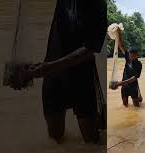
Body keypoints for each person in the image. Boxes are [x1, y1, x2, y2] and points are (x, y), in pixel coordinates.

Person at [25, 0, 106, 144]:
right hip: (53, 74)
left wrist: (48, 67)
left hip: (81, 76)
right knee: (54, 138)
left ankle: (98, 120)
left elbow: (89, 49)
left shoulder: (97, 5)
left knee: (91, 140)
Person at [113, 28, 142, 107]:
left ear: (137, 55)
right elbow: (121, 45)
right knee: (125, 105)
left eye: (132, 56)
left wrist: (120, 83)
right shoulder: (128, 57)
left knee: (136, 107)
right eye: (129, 55)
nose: (130, 57)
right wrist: (118, 32)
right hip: (125, 87)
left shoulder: (139, 64)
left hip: (133, 86)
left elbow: (134, 78)